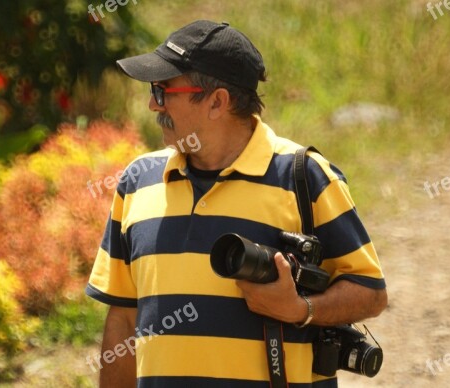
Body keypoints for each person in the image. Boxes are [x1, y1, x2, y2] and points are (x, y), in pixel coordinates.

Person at [86, 20, 387, 388]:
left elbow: (370, 292)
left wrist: (300, 310)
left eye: (163, 90)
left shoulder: (303, 176)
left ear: (217, 102)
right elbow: (123, 321)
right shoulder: (137, 182)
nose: (152, 104)